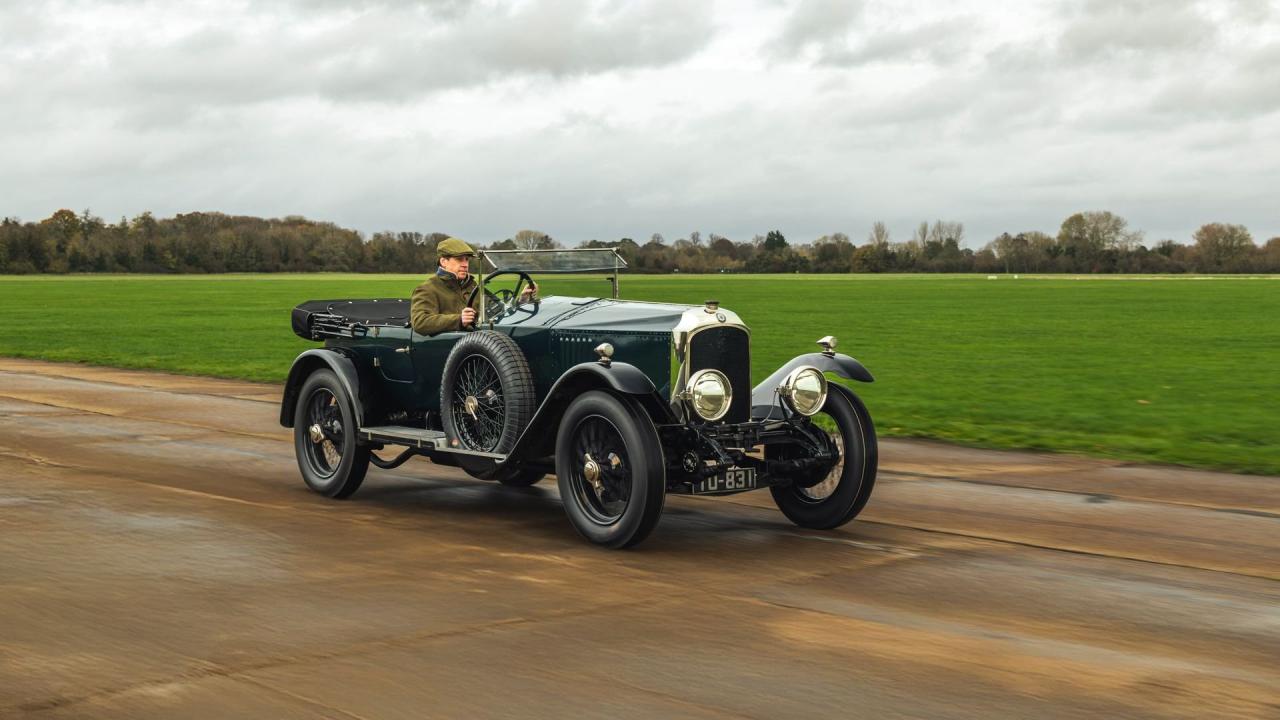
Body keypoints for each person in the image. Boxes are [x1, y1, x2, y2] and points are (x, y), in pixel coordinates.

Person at [410, 237, 536, 336]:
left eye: (467, 260)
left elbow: (499, 311)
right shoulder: (428, 289)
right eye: (459, 259)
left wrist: (522, 300)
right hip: (452, 351)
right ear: (444, 262)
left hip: (480, 347)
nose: (465, 264)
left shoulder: (473, 286)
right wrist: (459, 320)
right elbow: (420, 322)